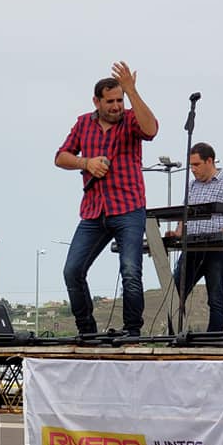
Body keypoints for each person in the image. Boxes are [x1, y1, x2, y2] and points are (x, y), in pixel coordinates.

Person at [55, 61, 158, 337]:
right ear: (96, 101)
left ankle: (132, 331)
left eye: (119, 100)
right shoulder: (83, 123)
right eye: (110, 101)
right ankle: (87, 331)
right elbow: (61, 157)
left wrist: (132, 91)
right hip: (93, 211)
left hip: (128, 207)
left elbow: (151, 130)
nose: (116, 106)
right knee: (72, 270)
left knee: (130, 271)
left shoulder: (131, 119)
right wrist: (86, 163)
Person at [168, 142, 223, 333]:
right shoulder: (192, 186)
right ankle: (174, 336)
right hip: (192, 249)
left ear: (210, 161)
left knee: (216, 297)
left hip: (217, 250)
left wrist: (220, 235)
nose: (193, 169)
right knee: (174, 295)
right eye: (191, 165)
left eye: (196, 164)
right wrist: (177, 233)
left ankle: (213, 339)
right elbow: (184, 216)